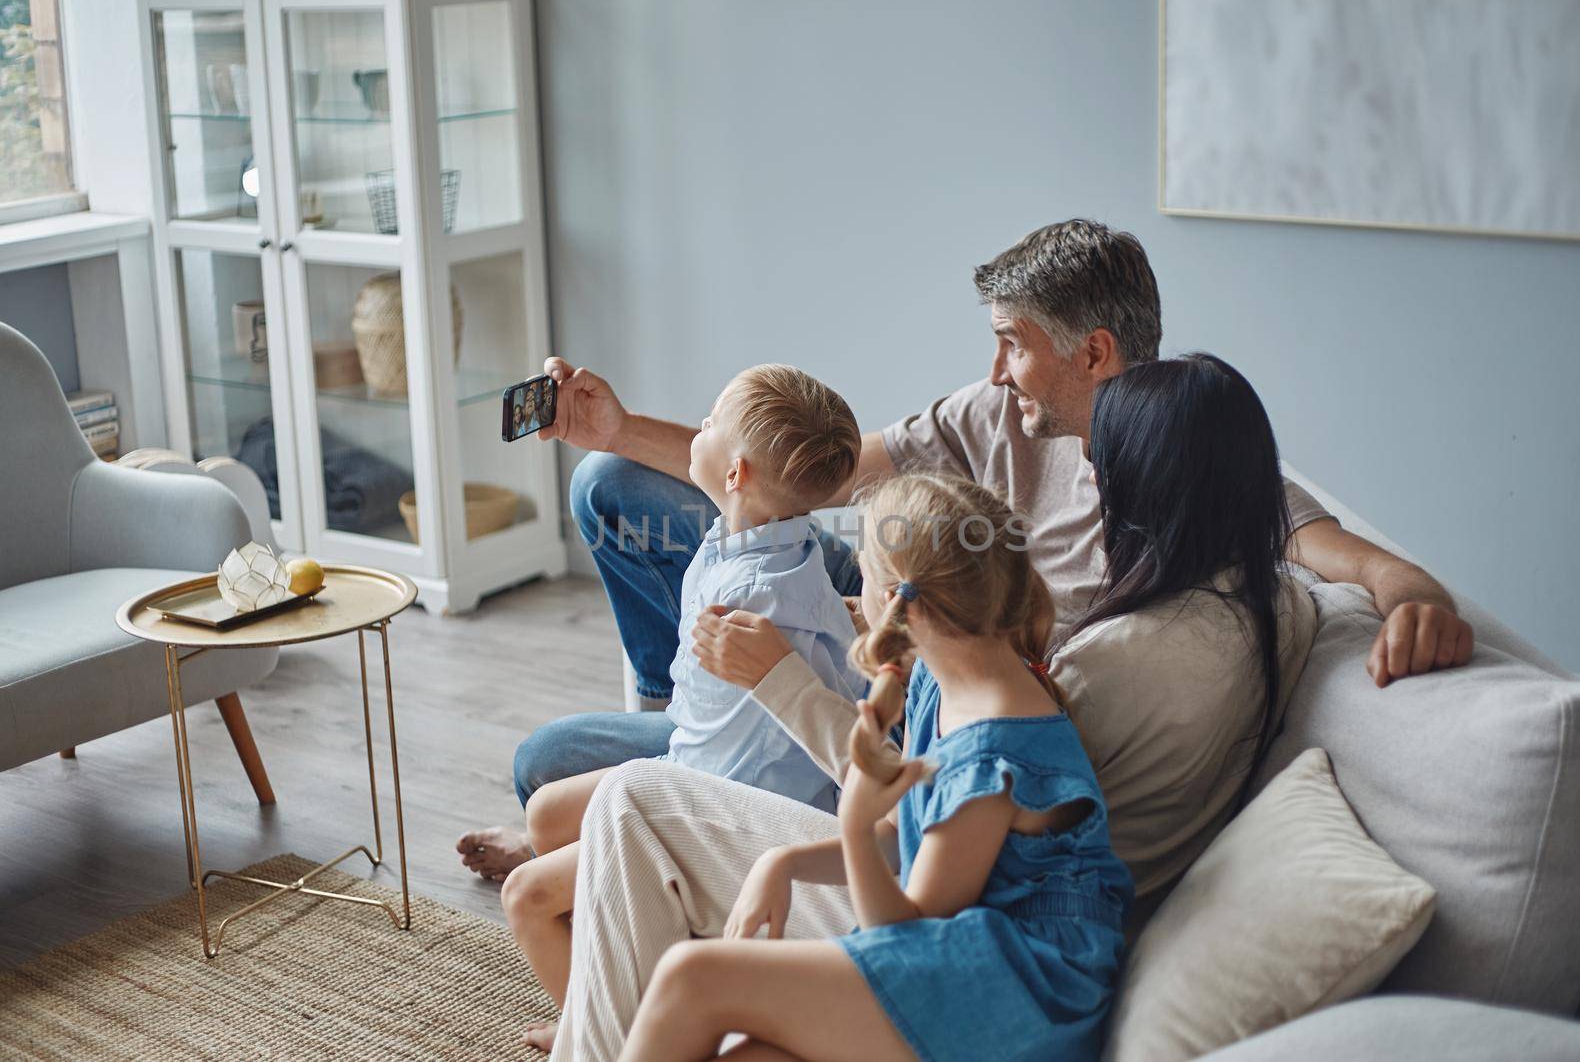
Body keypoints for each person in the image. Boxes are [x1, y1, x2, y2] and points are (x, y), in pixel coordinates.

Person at [455, 217, 1475, 884]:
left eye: (1013, 341)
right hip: (881, 584)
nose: (994, 366)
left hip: (936, 654)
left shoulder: (1181, 468)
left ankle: (691, 761)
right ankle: (689, 706)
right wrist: (619, 428)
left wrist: (1410, 587)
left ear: (1094, 353)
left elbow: (1333, 545)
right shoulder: (991, 412)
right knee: (612, 489)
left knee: (541, 764)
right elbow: (804, 474)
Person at [553, 352, 1317, 1058]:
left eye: (1101, 466)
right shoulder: (949, 673)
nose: (1088, 473)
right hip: (942, 914)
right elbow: (807, 468)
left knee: (647, 872)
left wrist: (836, 793)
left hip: (987, 976)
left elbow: (913, 920)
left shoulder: (1013, 736)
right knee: (571, 790)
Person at [618, 474, 1133, 1061]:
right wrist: (783, 860)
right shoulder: (943, 679)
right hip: (965, 951)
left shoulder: (995, 759)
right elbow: (902, 838)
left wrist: (858, 826)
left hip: (1021, 994)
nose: (854, 591)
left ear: (896, 602)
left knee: (694, 975)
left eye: (862, 572)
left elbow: (905, 935)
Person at [500, 365, 866, 1049]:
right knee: (545, 812)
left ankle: (608, 1031)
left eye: (707, 423)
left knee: (525, 896)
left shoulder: (765, 600)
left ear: (735, 474)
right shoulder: (769, 539)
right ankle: (618, 982)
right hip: (695, 758)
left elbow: (804, 737)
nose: (696, 427)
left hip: (723, 808)